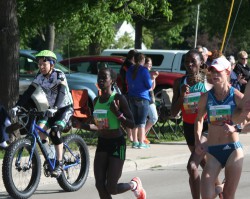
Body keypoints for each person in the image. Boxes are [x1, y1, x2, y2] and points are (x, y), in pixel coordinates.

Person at [76, 67, 146, 199]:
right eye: (99, 78)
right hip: (102, 143)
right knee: (99, 185)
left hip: (116, 144)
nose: (100, 80)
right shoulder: (96, 101)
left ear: (112, 81)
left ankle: (134, 185)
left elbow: (131, 123)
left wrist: (118, 114)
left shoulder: (118, 98)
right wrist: (80, 125)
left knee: (111, 188)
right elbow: (98, 126)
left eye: (104, 78)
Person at [11, 50, 73, 178]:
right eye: (39, 64)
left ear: (52, 64)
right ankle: (51, 157)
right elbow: (29, 92)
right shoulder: (39, 77)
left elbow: (61, 91)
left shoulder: (58, 75)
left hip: (64, 108)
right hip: (51, 110)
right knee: (40, 133)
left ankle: (60, 163)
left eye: (44, 64)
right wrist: (17, 106)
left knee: (55, 132)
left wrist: (55, 107)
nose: (41, 67)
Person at [195, 56, 244, 198]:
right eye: (213, 71)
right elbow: (198, 119)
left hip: (233, 150)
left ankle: (223, 188)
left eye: (219, 72)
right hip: (213, 151)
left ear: (227, 72)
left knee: (229, 195)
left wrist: (236, 128)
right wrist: (198, 141)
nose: (215, 75)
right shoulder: (206, 97)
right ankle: (220, 188)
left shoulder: (235, 95)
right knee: (206, 195)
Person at [171, 49, 210, 199]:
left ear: (201, 63)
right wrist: (181, 96)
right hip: (188, 127)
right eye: (187, 61)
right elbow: (174, 113)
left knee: (192, 166)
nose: (189, 64)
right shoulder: (179, 83)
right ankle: (220, 190)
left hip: (206, 127)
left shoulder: (208, 81)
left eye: (193, 61)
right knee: (205, 165)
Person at [126, 52, 152, 149]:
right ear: (143, 61)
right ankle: (141, 142)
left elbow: (128, 82)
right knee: (142, 121)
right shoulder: (144, 71)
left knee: (135, 120)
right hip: (142, 97)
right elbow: (149, 85)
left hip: (132, 96)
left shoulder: (129, 70)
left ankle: (135, 142)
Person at [119, 49, 138, 141]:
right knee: (130, 113)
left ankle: (130, 135)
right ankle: (130, 135)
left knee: (129, 113)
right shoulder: (129, 66)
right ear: (133, 57)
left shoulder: (125, 65)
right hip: (128, 91)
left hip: (126, 91)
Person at [143, 57, 159, 143]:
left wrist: (154, 78)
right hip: (145, 98)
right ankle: (141, 136)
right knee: (153, 117)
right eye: (148, 64)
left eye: (151, 64)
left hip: (149, 97)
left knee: (153, 118)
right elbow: (148, 88)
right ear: (143, 64)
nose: (150, 66)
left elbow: (152, 88)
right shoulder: (143, 74)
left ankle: (142, 135)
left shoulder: (148, 73)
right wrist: (152, 78)